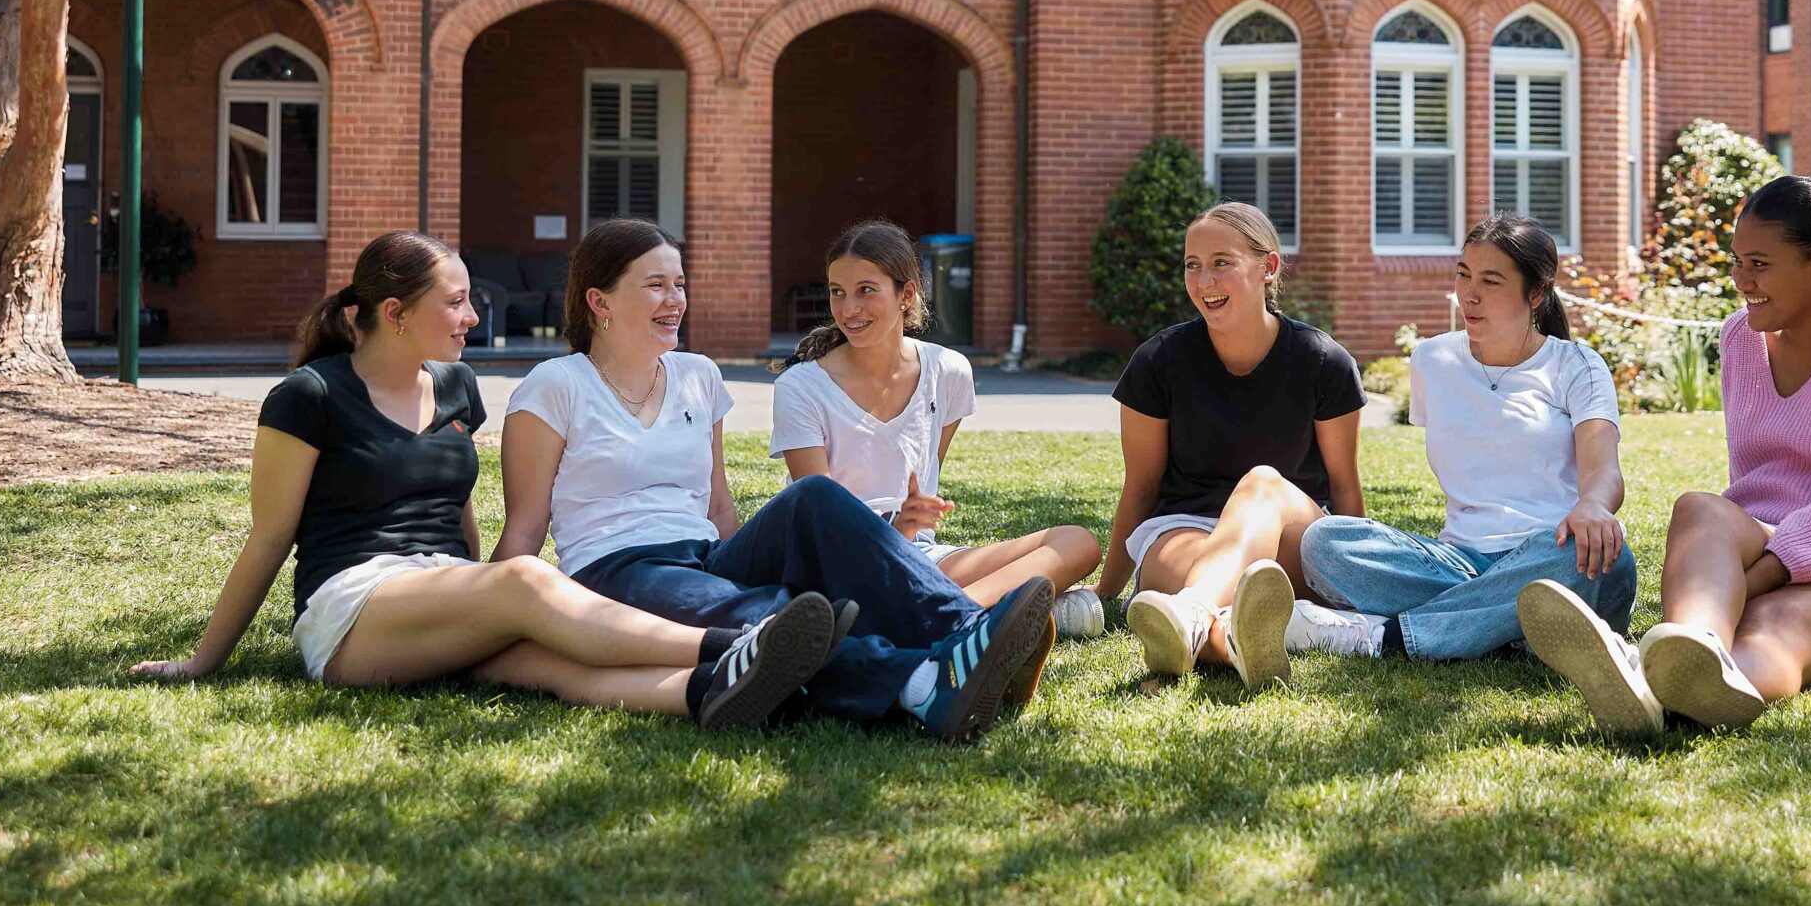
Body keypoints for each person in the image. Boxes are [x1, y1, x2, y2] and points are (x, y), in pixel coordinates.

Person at [132, 231, 834, 732]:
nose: (473, 316)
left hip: (439, 590)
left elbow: (459, 514)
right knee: (525, 581)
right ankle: (737, 645)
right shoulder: (309, 396)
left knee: (554, 662)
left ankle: (718, 691)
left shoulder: (457, 386)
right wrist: (201, 661)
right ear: (395, 313)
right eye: (456, 302)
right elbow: (270, 535)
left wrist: (477, 590)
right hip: (353, 611)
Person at [497, 218, 1056, 742]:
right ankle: (919, 684)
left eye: (679, 284)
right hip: (618, 568)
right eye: (656, 286)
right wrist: (487, 615)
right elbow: (525, 528)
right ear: (600, 301)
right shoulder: (556, 385)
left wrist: (742, 557)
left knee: (815, 497)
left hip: (703, 554)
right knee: (784, 615)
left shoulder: (699, 375)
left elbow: (718, 506)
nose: (676, 301)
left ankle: (970, 636)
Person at [1530, 175, 1811, 734]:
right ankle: (1693, 655)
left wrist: (1762, 575)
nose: (1741, 280)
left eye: (1760, 264)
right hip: (1791, 539)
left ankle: (1656, 688)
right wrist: (1743, 565)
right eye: (1737, 260)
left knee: (1774, 621)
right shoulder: (1742, 336)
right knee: (1700, 509)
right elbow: (1759, 484)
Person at [1288, 214, 1651, 725]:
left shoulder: (1576, 365)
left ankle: (1381, 638)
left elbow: (1603, 468)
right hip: (1458, 561)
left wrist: (1591, 504)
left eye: (1491, 280)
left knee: (1604, 558)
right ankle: (1515, 628)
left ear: (1537, 293)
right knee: (1325, 541)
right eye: (1463, 275)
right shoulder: (1432, 360)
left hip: (1553, 555)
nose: (1469, 295)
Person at [775, 220, 1103, 638]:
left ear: (906, 294)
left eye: (865, 290)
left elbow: (927, 474)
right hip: (838, 569)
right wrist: (897, 531)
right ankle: (966, 618)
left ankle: (955, 616)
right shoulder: (801, 386)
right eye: (837, 291)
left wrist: (909, 535)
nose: (847, 308)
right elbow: (819, 522)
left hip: (920, 557)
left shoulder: (947, 371)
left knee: (1078, 542)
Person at [1098, 201, 1366, 689]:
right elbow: (1140, 486)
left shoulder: (1324, 361)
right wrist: (1105, 593)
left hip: (1290, 535)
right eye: (1192, 266)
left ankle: (1194, 615)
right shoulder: (1157, 361)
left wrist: (1360, 583)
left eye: (1222, 263)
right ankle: (1227, 640)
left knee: (1262, 483)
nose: (1204, 282)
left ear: (1268, 267)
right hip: (1186, 530)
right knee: (1190, 568)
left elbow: (1345, 488)